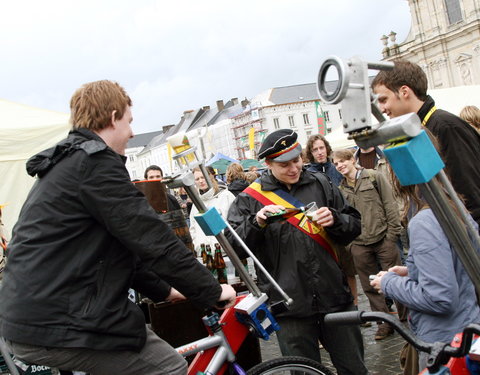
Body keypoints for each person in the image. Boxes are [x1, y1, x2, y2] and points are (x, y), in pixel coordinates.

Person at [0, 80, 235, 375]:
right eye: (129, 121)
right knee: (168, 367)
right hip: (62, 321)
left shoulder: (70, 162)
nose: (133, 132)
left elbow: (120, 248)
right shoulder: (95, 165)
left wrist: (165, 291)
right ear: (113, 118)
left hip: (38, 317)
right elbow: (153, 239)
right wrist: (211, 291)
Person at [226, 129, 367, 375]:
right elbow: (233, 247)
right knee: (303, 372)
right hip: (289, 306)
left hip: (334, 297)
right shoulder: (249, 200)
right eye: (284, 164)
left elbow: (354, 225)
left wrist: (335, 220)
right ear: (268, 164)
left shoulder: (322, 183)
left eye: (296, 160)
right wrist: (256, 223)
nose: (293, 168)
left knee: (354, 369)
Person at [371, 165, 480, 371]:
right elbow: (460, 265)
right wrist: (412, 271)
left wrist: (388, 283)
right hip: (467, 331)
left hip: (444, 346)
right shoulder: (453, 206)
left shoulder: (424, 221)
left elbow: (440, 298)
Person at [372, 59, 480, 226]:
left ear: (404, 91)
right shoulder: (420, 130)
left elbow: (471, 194)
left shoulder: (446, 127)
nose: (382, 109)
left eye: (384, 99)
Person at [333, 148, 403, 340]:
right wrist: (351, 245)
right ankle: (384, 324)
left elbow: (390, 204)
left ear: (351, 160)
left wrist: (392, 234)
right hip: (359, 245)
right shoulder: (341, 190)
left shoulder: (373, 177)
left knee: (396, 280)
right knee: (371, 287)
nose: (339, 166)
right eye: (336, 163)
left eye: (342, 161)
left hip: (384, 238)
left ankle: (408, 318)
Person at [305, 135, 358, 306]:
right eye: (315, 149)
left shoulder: (336, 167)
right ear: (310, 153)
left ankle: (355, 303)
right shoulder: (308, 173)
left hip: (340, 220)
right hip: (320, 225)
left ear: (326, 148)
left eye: (321, 148)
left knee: (348, 268)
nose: (319, 152)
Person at [189, 166, 236, 250]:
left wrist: (227, 245)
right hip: (205, 254)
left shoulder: (226, 196)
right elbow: (193, 228)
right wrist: (197, 245)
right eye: (197, 179)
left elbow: (235, 224)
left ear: (210, 177)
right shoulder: (196, 204)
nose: (200, 181)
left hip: (226, 251)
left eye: (203, 177)